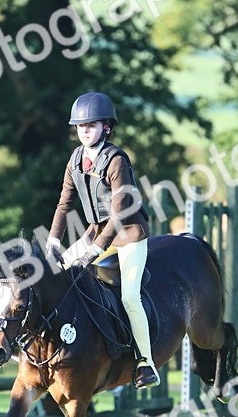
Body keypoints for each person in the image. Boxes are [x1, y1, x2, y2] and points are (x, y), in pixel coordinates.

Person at [47, 92, 159, 389]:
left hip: (128, 234)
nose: (84, 130)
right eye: (80, 126)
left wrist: (96, 250)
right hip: (96, 231)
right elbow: (64, 204)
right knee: (55, 276)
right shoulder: (75, 159)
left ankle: (145, 362)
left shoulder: (116, 160)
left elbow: (120, 212)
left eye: (91, 125)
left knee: (130, 297)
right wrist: (53, 243)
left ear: (106, 128)